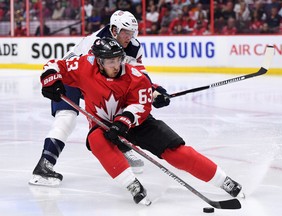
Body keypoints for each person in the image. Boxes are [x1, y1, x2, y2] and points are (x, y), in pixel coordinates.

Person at [39, 37, 242, 205]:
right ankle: (132, 184)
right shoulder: (84, 65)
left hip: (137, 123)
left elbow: (141, 106)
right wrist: (50, 80)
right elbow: (55, 64)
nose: (116, 65)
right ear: (98, 61)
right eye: (110, 61)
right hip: (103, 125)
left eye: (118, 59)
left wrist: (122, 122)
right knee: (96, 140)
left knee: (175, 152)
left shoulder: (135, 76)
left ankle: (224, 181)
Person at [29, 10, 170, 186]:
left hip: (94, 78)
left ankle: (121, 146)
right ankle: (44, 165)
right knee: (67, 119)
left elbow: (137, 77)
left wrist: (154, 92)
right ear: (113, 30)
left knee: (119, 107)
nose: (129, 37)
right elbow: (95, 81)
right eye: (125, 32)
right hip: (71, 76)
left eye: (132, 32)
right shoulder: (97, 44)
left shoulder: (134, 46)